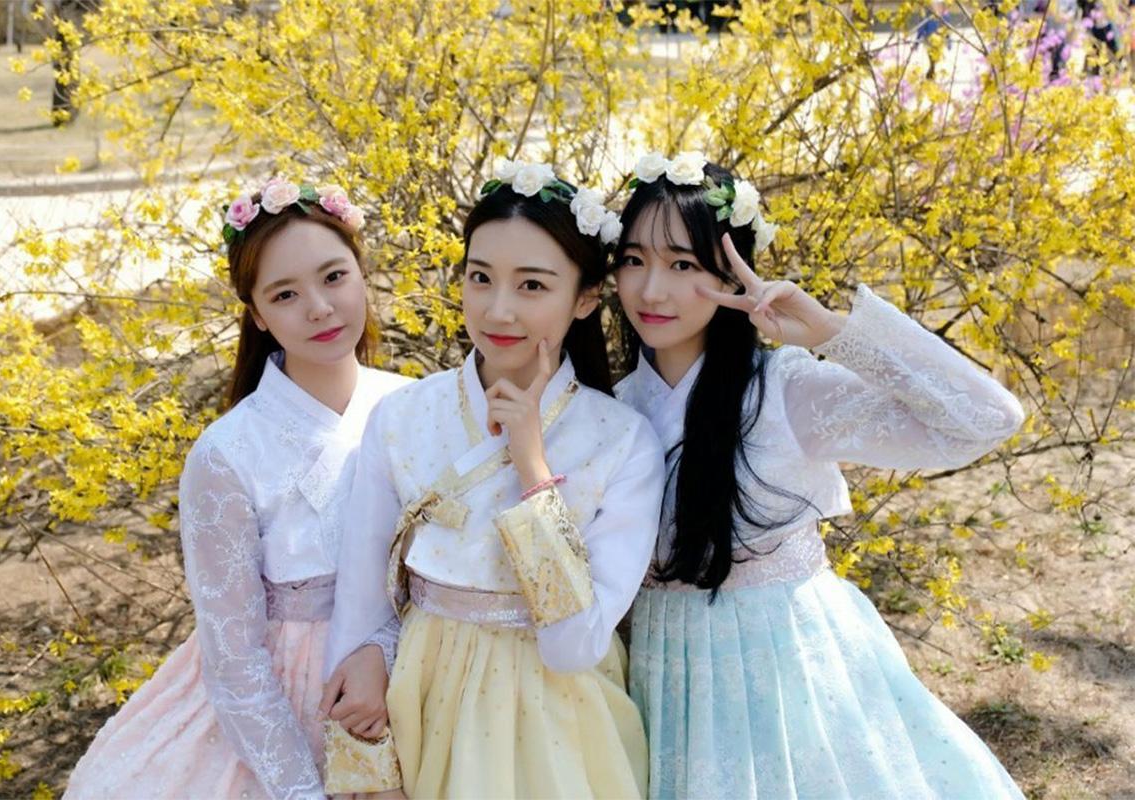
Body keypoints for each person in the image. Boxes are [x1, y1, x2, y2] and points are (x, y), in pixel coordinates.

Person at [612, 152, 1027, 799]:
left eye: (682, 265)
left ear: (730, 272)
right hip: (665, 678)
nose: (651, 290)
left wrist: (832, 332)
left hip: (792, 674)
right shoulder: (612, 410)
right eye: (633, 260)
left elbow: (986, 420)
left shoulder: (783, 390)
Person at [321, 161, 665, 798]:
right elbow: (362, 598)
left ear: (586, 298)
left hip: (559, 719)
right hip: (421, 696)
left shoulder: (623, 441)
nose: (498, 309)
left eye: (532, 285)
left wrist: (533, 470)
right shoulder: (400, 417)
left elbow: (573, 645)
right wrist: (365, 694)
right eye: (480, 277)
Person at [65, 179, 408, 800]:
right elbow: (234, 659)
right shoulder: (228, 453)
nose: (319, 308)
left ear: (362, 275)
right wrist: (302, 792)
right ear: (257, 315)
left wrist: (383, 650)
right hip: (282, 715)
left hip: (414, 682)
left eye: (334, 277)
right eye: (285, 294)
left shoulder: (416, 407)